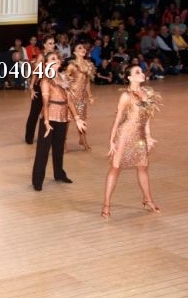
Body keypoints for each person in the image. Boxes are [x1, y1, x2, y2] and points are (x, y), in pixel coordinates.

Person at [102, 66, 161, 218]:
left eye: (141, 71)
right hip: (125, 135)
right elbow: (118, 119)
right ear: (129, 78)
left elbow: (147, 116)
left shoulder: (146, 93)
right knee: (116, 167)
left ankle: (147, 200)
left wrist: (148, 136)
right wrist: (111, 140)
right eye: (137, 72)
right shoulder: (126, 96)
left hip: (140, 136)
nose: (141, 74)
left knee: (143, 167)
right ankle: (106, 204)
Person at [31, 52, 86, 191]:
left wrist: (77, 118)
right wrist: (46, 122)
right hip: (49, 118)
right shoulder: (45, 80)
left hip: (62, 117)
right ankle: (37, 180)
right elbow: (45, 102)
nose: (56, 60)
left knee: (59, 148)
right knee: (43, 151)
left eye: (57, 58)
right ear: (46, 64)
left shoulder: (62, 77)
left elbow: (69, 100)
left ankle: (59, 174)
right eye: (52, 59)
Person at [24, 35, 55, 144]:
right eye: (50, 43)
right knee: (35, 112)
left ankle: (47, 136)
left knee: (50, 112)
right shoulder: (41, 56)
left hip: (52, 87)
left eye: (53, 43)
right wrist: (32, 86)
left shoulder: (55, 56)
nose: (52, 45)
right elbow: (36, 71)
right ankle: (29, 137)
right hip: (40, 86)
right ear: (44, 45)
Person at [66, 43, 95, 151]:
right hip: (72, 96)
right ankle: (63, 141)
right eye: (79, 48)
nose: (83, 49)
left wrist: (90, 95)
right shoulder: (72, 66)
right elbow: (66, 82)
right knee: (68, 119)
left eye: (83, 47)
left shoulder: (88, 65)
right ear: (74, 52)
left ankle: (83, 140)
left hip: (82, 97)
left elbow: (87, 82)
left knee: (82, 119)